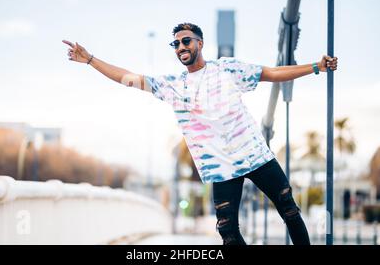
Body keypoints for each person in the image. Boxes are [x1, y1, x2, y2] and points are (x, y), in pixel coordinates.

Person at [63, 22, 338, 245]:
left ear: (199, 43)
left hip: (254, 154)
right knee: (227, 231)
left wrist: (316, 67)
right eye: (176, 43)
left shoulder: (227, 68)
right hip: (221, 168)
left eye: (186, 41)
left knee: (288, 208)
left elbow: (271, 72)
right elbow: (128, 79)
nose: (181, 47)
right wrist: (90, 60)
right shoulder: (173, 86)